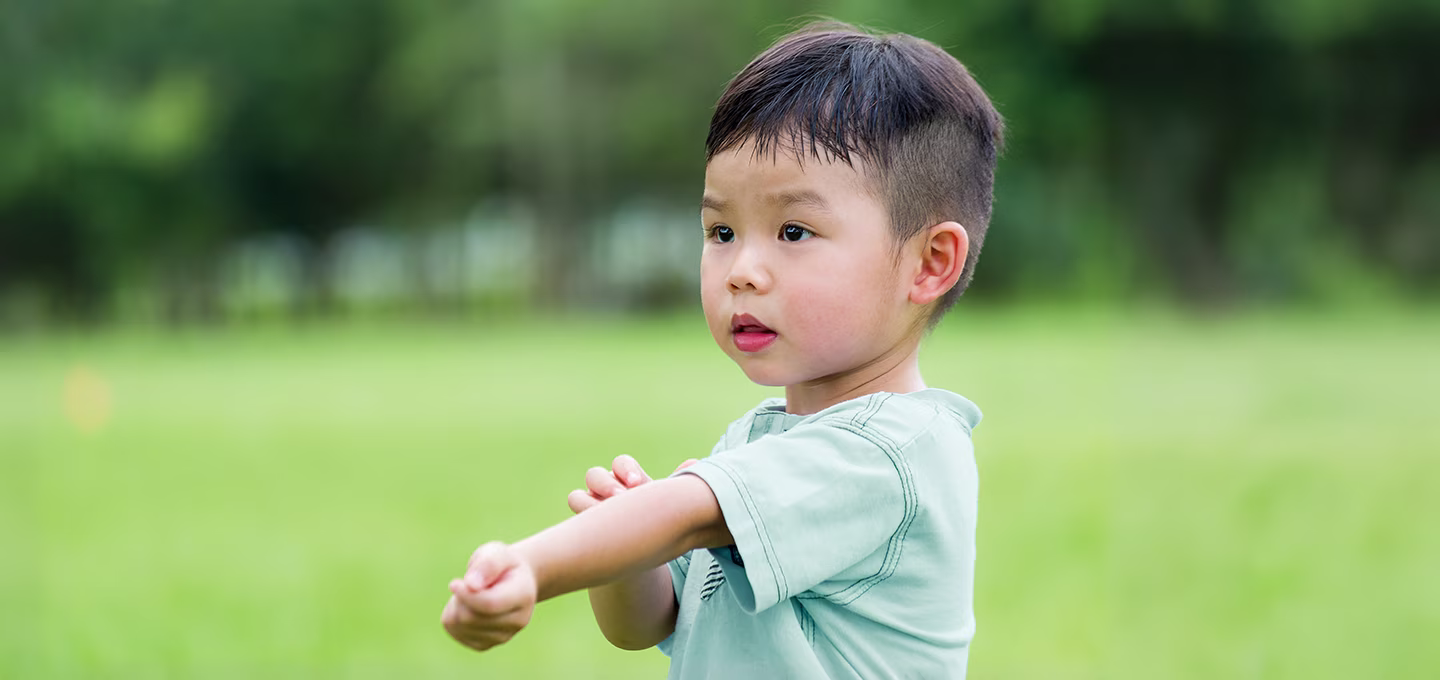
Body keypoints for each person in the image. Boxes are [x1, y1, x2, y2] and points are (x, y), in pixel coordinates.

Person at [441, 20, 1003, 678]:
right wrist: (628, 553)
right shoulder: (761, 439)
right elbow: (650, 623)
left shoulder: (892, 453)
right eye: (722, 231)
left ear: (929, 263)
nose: (742, 271)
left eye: (793, 231)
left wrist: (531, 565)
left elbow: (684, 518)